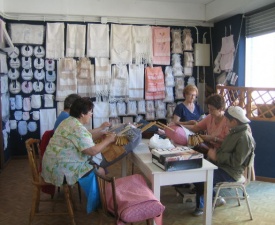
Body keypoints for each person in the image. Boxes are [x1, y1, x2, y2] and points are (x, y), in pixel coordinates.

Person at [192, 106, 256, 216]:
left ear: (234, 121)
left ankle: (203, 204)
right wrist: (213, 153)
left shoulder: (244, 137)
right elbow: (225, 151)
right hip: (223, 166)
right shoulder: (235, 132)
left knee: (200, 177)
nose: (225, 122)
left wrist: (217, 156)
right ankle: (213, 198)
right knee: (197, 169)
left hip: (231, 172)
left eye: (227, 120)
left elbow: (236, 162)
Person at [41, 97, 117, 187]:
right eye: (90, 112)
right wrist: (108, 140)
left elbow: (83, 139)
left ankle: (100, 195)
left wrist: (100, 134)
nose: (91, 114)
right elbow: (92, 151)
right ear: (82, 114)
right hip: (60, 170)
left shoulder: (68, 121)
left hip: (51, 166)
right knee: (100, 171)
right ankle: (101, 198)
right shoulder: (77, 127)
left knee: (97, 165)